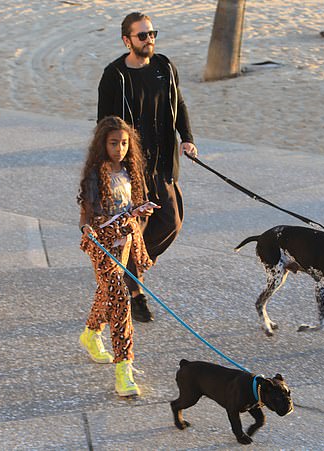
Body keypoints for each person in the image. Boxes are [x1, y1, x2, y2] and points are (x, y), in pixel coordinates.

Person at [98, 11, 198, 323]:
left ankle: (131, 269)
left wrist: (187, 138)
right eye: (143, 35)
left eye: (152, 33)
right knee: (133, 228)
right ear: (127, 40)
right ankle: (134, 291)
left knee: (171, 221)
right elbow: (105, 125)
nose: (149, 40)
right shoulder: (115, 75)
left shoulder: (165, 66)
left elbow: (178, 103)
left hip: (164, 163)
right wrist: (110, 167)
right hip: (132, 170)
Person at [78, 116, 156, 397]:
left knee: (106, 292)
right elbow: (87, 216)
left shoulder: (131, 171)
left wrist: (140, 210)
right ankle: (124, 369)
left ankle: (90, 333)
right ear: (103, 144)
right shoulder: (95, 175)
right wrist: (89, 228)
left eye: (124, 143)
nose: (120, 148)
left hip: (125, 242)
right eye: (114, 143)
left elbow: (131, 206)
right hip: (101, 245)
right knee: (120, 299)